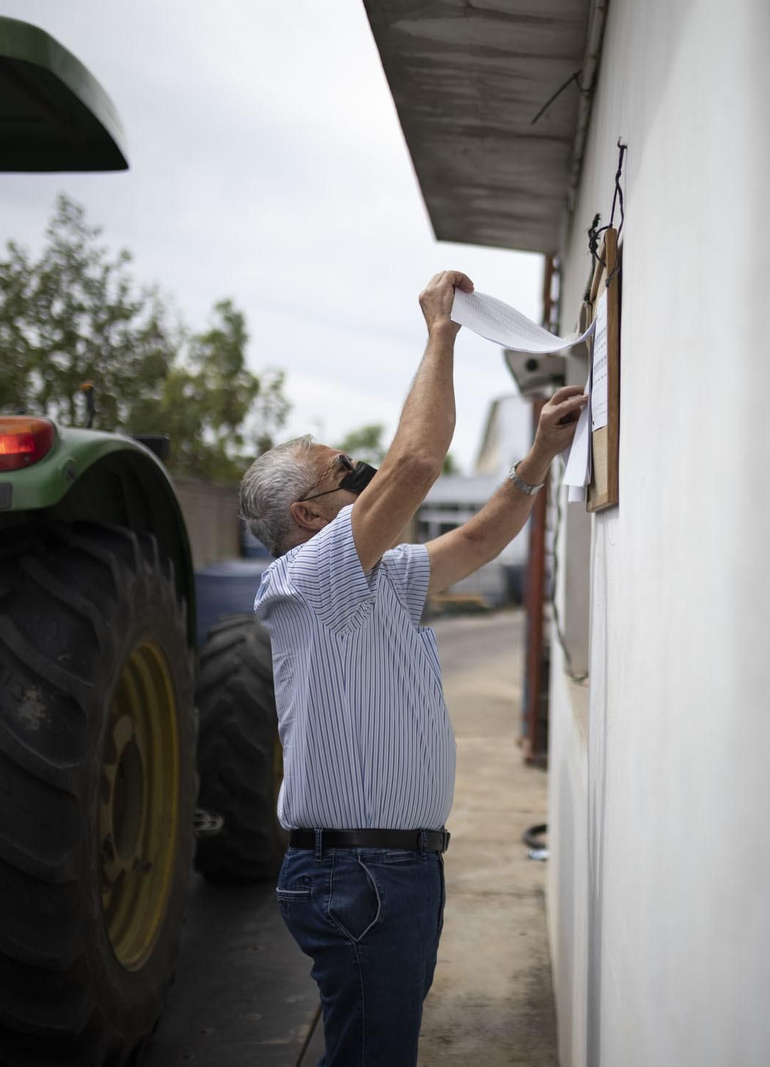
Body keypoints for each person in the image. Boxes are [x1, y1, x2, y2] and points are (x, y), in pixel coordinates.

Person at [238, 269, 585, 1065]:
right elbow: (418, 463)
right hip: (361, 872)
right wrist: (441, 330)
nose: (366, 478)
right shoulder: (311, 574)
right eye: (349, 473)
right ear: (310, 516)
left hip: (386, 869)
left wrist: (538, 456)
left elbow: (476, 541)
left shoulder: (377, 574)